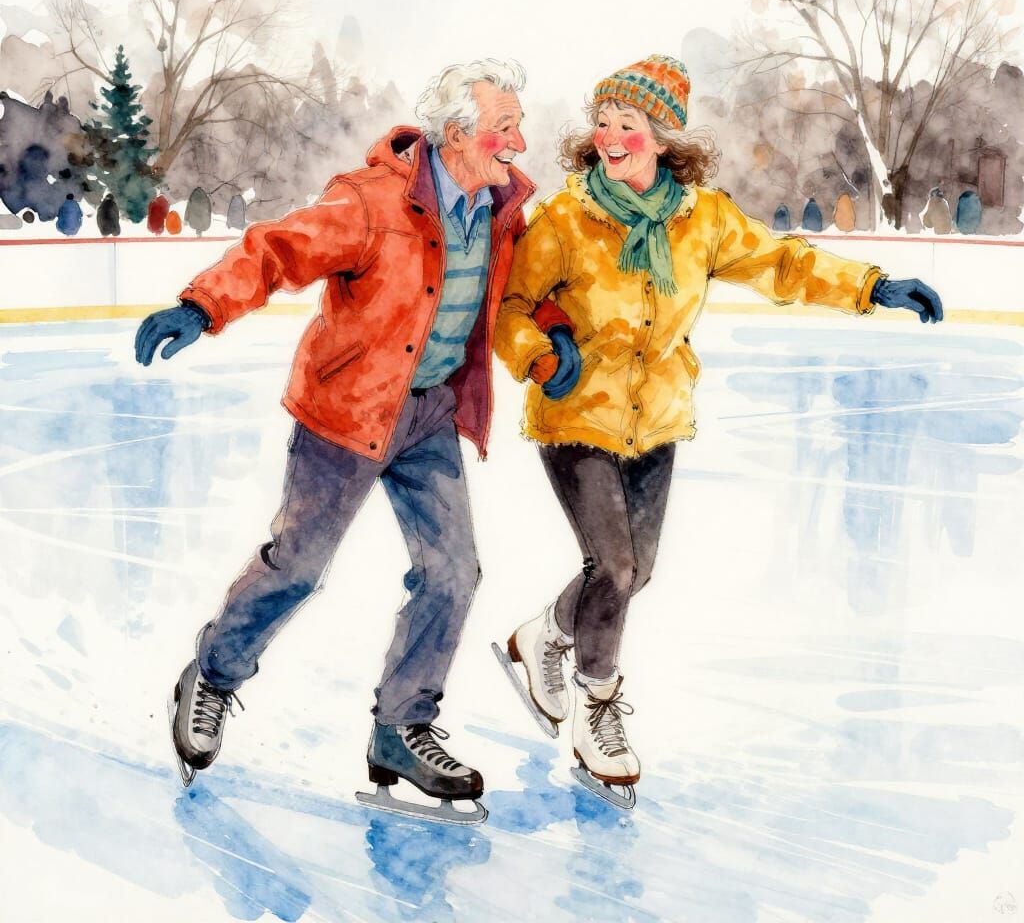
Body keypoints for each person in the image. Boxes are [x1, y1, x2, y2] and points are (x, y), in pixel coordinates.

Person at [493, 54, 942, 807]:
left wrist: (873, 286)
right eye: (602, 122)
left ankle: (545, 634)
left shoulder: (702, 220)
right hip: (576, 415)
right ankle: (598, 710)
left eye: (628, 124)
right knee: (617, 569)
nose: (610, 137)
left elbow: (783, 264)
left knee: (636, 569)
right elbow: (510, 306)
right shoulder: (566, 220)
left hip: (658, 419)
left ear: (663, 139)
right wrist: (539, 354)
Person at [135, 58, 570, 824]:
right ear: (458, 133)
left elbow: (524, 290)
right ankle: (213, 674)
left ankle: (401, 728)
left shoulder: (502, 209)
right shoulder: (372, 201)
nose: (518, 142)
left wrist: (553, 336)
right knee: (298, 567)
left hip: (430, 413)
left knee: (453, 571)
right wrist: (201, 306)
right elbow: (278, 248)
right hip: (348, 411)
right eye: (505, 127)